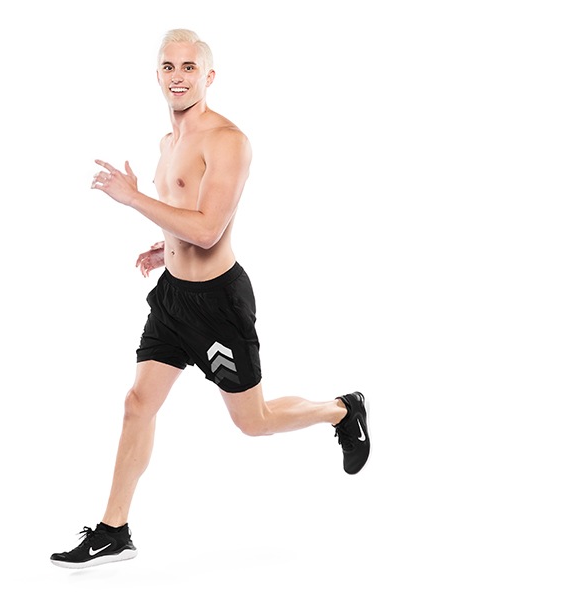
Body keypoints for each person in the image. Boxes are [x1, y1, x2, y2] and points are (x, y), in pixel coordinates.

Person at [50, 29, 370, 570]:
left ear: (209, 76)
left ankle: (341, 411)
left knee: (254, 421)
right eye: (168, 67)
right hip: (174, 298)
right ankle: (114, 529)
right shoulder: (166, 142)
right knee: (136, 405)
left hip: (219, 304)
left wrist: (134, 200)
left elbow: (207, 229)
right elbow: (184, 223)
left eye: (189, 68)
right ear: (157, 75)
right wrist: (162, 248)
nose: (178, 77)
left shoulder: (229, 141)